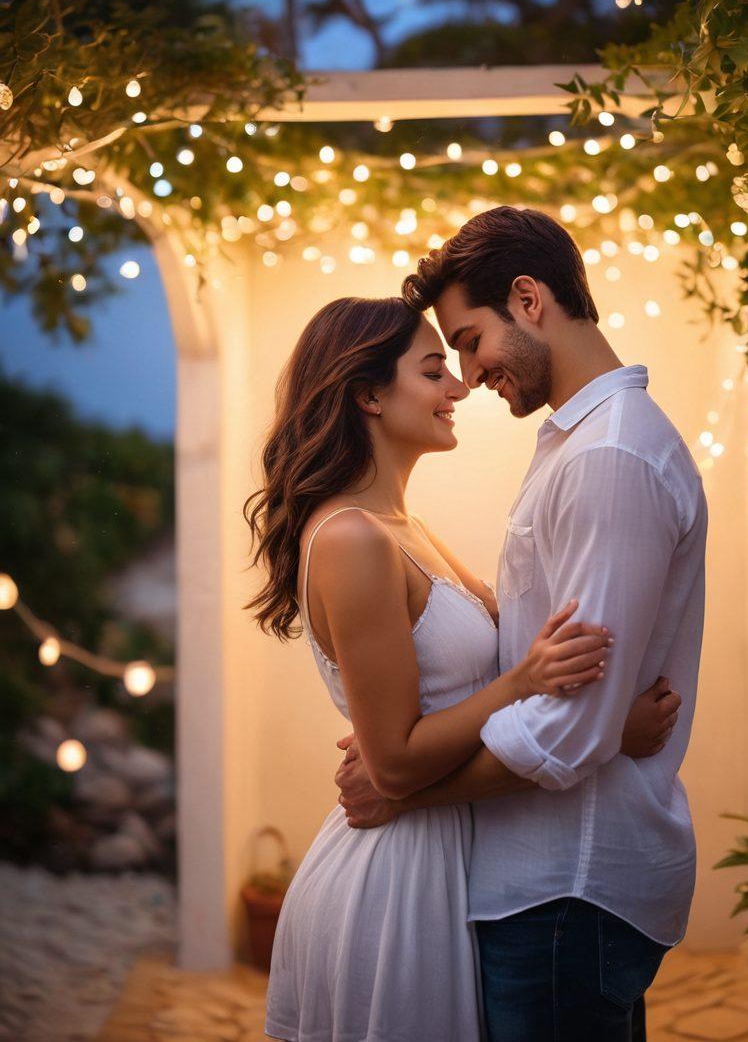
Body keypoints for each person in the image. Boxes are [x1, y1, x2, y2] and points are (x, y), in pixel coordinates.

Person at [245, 295, 681, 1042]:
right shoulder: (353, 538)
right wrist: (525, 684)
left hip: (452, 860)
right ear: (368, 394)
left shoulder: (403, 527)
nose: (459, 387)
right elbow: (395, 760)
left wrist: (607, 719)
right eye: (433, 369)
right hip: (393, 884)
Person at [335, 206, 708, 1042]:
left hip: (565, 889)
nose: (468, 375)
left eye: (469, 341)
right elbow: (568, 688)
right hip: (543, 889)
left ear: (530, 299)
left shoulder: (610, 457)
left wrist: (407, 792)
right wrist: (611, 721)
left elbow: (569, 729)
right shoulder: (578, 447)